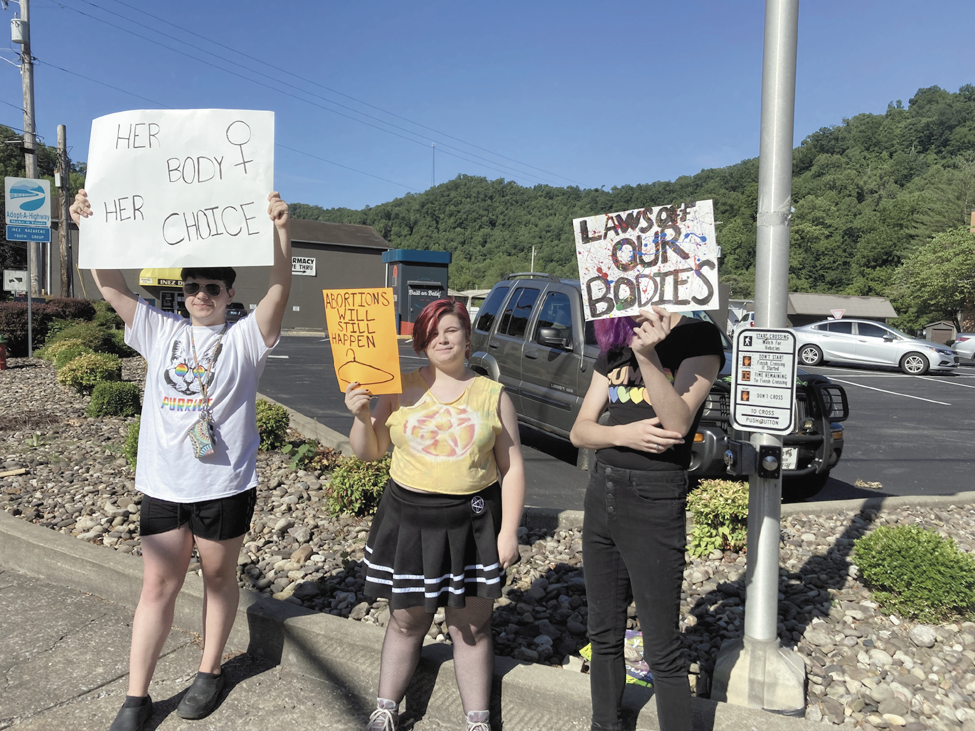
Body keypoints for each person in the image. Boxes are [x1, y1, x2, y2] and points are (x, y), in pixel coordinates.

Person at [70, 188, 292, 731]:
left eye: (211, 288)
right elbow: (109, 284)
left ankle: (210, 670)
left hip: (225, 485)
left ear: (228, 292)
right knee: (157, 586)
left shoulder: (244, 339)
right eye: (192, 286)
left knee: (219, 579)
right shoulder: (159, 330)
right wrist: (88, 227)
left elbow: (281, 289)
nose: (199, 295)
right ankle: (136, 696)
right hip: (165, 484)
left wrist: (281, 233)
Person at [344, 299, 525, 731]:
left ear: (467, 336)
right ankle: (385, 710)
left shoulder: (493, 395)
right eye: (431, 333)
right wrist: (360, 417)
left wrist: (509, 533)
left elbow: (512, 467)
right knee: (407, 619)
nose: (442, 340)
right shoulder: (397, 387)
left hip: (475, 521)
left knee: (471, 625)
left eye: (451, 330)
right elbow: (369, 452)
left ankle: (477, 721)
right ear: (420, 342)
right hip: (408, 518)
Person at [569, 306, 723, 731]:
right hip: (603, 491)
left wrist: (647, 355)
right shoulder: (616, 337)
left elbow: (677, 423)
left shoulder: (700, 338)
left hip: (654, 496)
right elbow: (579, 431)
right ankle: (606, 724)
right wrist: (621, 435)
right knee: (603, 634)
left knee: (662, 648)